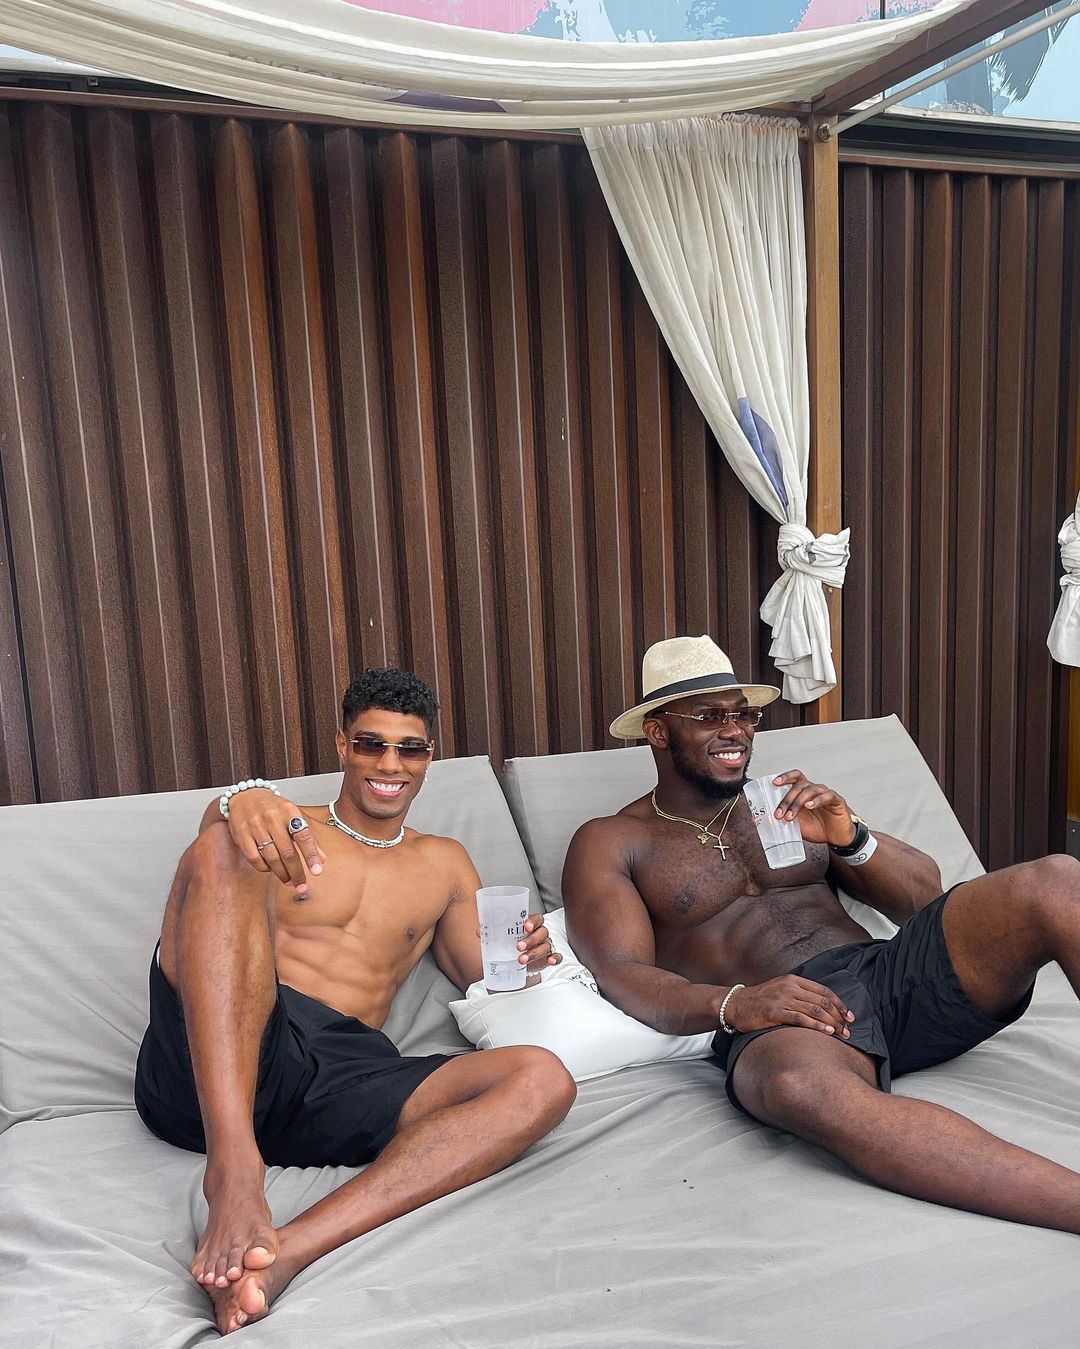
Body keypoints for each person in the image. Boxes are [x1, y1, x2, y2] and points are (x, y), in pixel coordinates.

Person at [563, 634, 1080, 1234]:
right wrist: (735, 1004)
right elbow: (622, 974)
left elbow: (924, 900)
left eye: (744, 715)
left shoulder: (784, 804)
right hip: (788, 1017)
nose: (735, 731)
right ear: (658, 731)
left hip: (890, 974)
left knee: (1056, 879)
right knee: (797, 1086)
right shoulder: (612, 839)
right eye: (708, 717)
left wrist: (850, 836)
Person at [135, 667, 574, 1336]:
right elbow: (218, 845)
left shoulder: (445, 862)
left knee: (542, 1079)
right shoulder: (286, 825)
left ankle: (285, 1253)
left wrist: (531, 955)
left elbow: (485, 974)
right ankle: (234, 1171)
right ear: (342, 745)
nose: (390, 764)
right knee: (224, 848)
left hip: (342, 1072)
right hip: (229, 1046)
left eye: (409, 748)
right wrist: (241, 799)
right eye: (372, 744)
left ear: (429, 757)